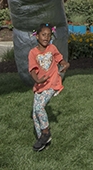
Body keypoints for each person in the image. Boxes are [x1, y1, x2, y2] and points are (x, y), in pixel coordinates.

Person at [28, 23, 69, 151]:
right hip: (40, 85)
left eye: (48, 35)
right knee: (35, 113)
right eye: (43, 35)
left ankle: (46, 132)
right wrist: (38, 80)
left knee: (40, 107)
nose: (46, 37)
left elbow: (60, 59)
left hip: (52, 83)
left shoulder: (52, 48)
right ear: (37, 36)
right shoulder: (33, 53)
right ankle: (42, 141)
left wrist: (65, 64)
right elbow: (32, 71)